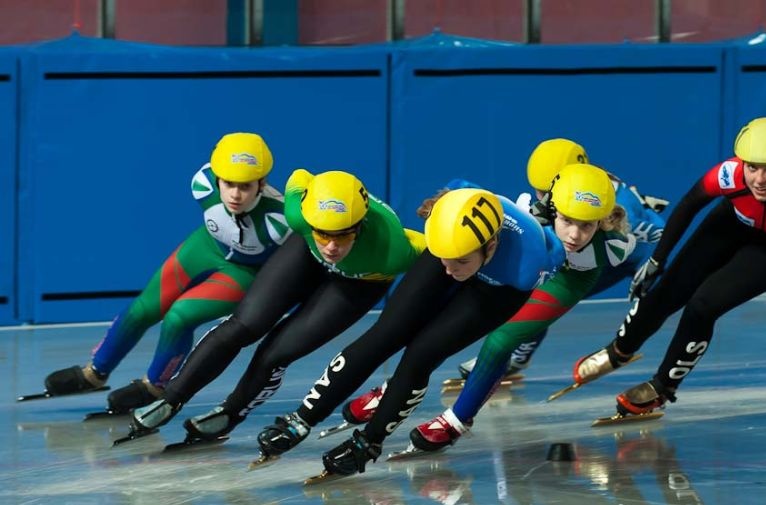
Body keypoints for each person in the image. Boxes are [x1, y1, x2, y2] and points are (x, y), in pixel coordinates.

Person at [254, 185, 574, 476]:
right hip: (456, 241)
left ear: (490, 247)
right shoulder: (445, 234)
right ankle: (301, 420)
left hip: (498, 287)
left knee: (421, 355)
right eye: (445, 261)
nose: (450, 270)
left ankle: (370, 441)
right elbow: (454, 225)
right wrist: (451, 256)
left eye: (459, 262)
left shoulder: (529, 266)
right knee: (384, 335)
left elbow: (557, 250)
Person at [572, 116, 766, 419]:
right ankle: (620, 349)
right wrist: (657, 259)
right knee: (668, 287)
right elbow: (689, 205)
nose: (759, 179)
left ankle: (663, 386)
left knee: (702, 306)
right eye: (752, 167)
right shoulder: (729, 174)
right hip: (733, 221)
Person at [126, 169, 425, 441]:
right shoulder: (298, 214)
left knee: (278, 351)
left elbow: (435, 253)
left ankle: (233, 411)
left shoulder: (393, 250)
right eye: (323, 234)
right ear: (310, 222)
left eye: (342, 235)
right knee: (243, 325)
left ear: (359, 227)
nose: (332, 246)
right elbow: (299, 176)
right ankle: (173, 397)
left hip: (360, 281)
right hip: (305, 255)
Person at [42, 133, 290, 413]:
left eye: (245, 186)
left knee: (179, 317)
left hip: (246, 272)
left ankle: (155, 386)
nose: (235, 194)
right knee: (143, 308)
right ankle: (94, 373)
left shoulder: (280, 221)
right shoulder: (202, 184)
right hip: (205, 246)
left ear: (262, 183)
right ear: (216, 178)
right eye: (228, 183)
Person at [406, 162, 632, 451]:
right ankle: (399, 385)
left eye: (586, 225)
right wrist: (446, 198)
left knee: (502, 339)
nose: (574, 235)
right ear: (552, 207)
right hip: (532, 264)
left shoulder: (615, 245)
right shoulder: (532, 214)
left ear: (601, 221)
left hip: (568, 278)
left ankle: (457, 421)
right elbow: (475, 196)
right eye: (567, 220)